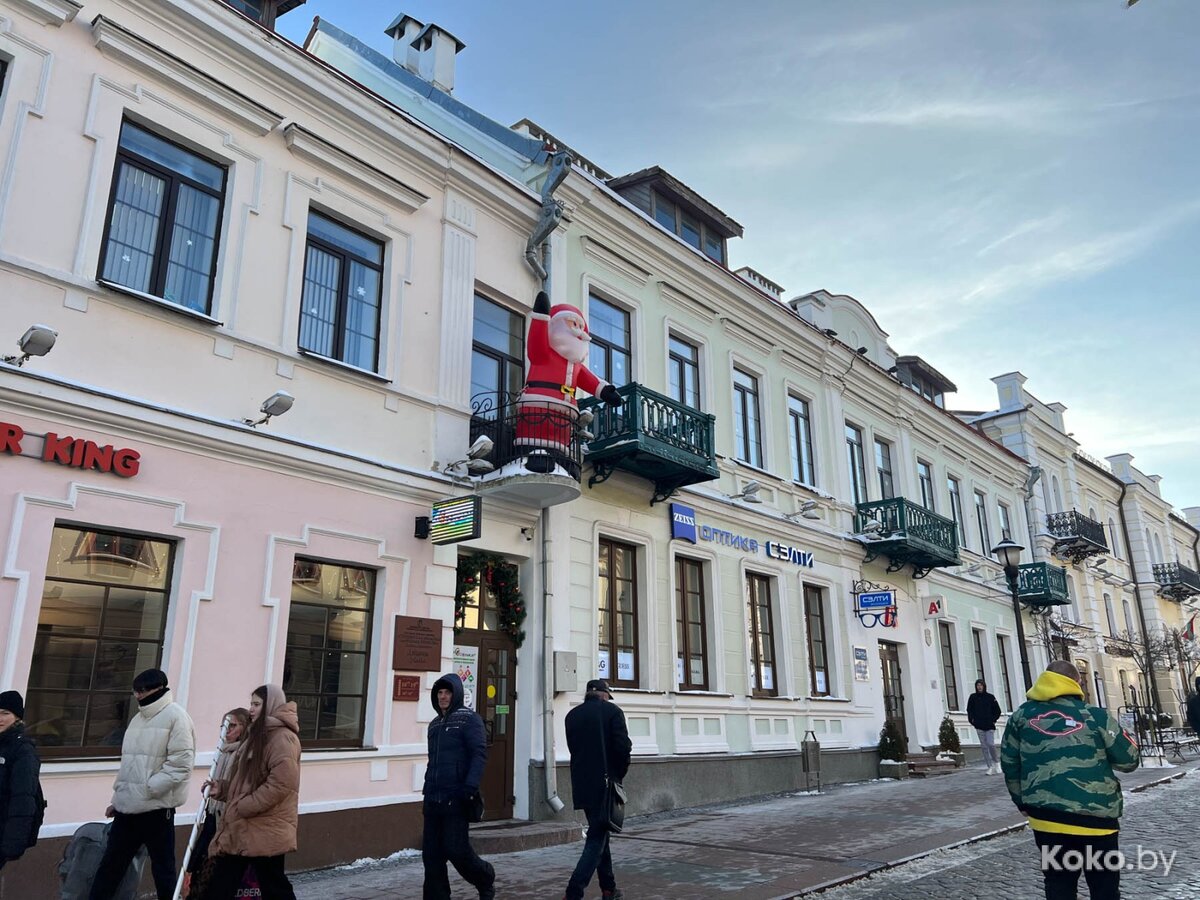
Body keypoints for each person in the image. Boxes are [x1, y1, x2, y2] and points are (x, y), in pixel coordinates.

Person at [1001, 660, 1139, 900]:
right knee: (1104, 887)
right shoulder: (1094, 715)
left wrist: (1022, 802)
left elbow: (1010, 764)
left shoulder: (1020, 717)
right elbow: (1129, 760)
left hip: (1046, 819)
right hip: (1096, 818)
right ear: (1076, 683)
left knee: (1058, 884)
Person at [90, 668, 195, 900]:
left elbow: (181, 764)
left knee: (163, 871)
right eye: (136, 691)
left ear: (159, 689)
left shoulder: (177, 717)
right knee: (110, 867)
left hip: (157, 810)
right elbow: (129, 766)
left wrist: (149, 789)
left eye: (143, 690)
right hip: (127, 810)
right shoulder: (137, 719)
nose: (138, 695)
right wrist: (119, 799)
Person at [202, 685, 300, 899]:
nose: (252, 709)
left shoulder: (283, 738)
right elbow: (247, 781)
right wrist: (223, 788)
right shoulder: (256, 736)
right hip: (245, 826)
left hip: (265, 827)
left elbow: (282, 784)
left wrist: (245, 805)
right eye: (251, 704)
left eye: (257, 704)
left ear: (270, 705)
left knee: (274, 887)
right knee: (221, 884)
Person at [422, 672, 494, 900]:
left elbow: (479, 754)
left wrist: (469, 786)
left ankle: (485, 877)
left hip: (457, 796)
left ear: (457, 694)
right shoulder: (434, 725)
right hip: (433, 797)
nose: (443, 697)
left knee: (456, 850)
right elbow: (433, 759)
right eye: (439, 693)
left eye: (447, 692)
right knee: (431, 856)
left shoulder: (469, 719)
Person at [563, 679, 631, 900]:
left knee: (600, 834)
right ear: (604, 695)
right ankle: (573, 892)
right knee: (596, 839)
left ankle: (608, 888)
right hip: (605, 786)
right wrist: (618, 775)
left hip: (582, 785)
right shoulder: (613, 712)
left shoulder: (572, 716)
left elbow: (574, 749)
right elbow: (623, 748)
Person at [184, 708, 250, 896]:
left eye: (232, 726)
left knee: (216, 871)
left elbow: (240, 788)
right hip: (212, 816)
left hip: (228, 820)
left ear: (244, 728)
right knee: (197, 863)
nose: (226, 731)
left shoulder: (244, 754)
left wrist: (222, 790)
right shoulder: (221, 753)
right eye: (224, 726)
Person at [0, 690, 43, 871]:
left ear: (17, 717)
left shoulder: (23, 751)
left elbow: (23, 799)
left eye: (5, 713)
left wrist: (13, 843)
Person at [966, 679, 1003, 774]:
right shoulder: (973, 697)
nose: (979, 687)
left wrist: (993, 720)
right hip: (979, 725)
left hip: (989, 725)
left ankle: (996, 762)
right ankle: (989, 766)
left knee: (991, 744)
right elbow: (969, 710)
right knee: (984, 747)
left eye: (981, 685)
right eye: (978, 685)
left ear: (984, 686)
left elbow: (997, 710)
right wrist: (972, 721)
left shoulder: (990, 697)